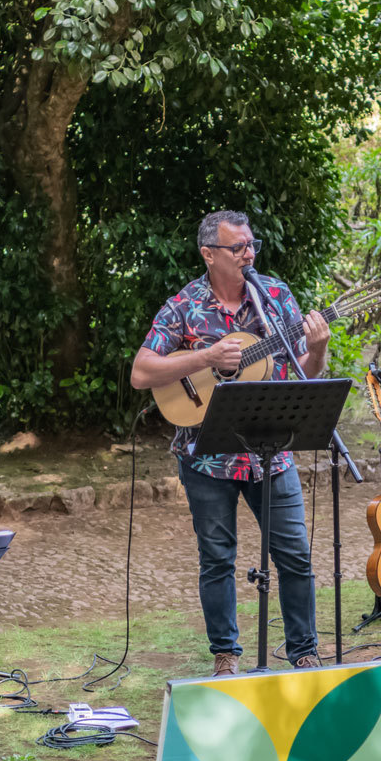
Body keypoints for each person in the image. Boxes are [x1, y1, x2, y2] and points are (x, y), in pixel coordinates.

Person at [129, 210, 330, 676]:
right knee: (217, 558)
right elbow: (141, 372)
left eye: (251, 244)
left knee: (295, 555)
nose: (249, 253)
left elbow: (306, 373)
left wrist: (317, 347)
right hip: (207, 458)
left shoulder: (275, 297)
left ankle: (304, 652)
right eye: (238, 247)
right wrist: (206, 356)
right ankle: (226, 656)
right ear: (209, 254)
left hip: (272, 451)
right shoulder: (184, 305)